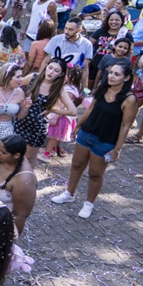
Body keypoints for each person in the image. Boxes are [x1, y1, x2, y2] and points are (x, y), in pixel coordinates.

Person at [51, 61, 136, 218]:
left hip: (105, 141)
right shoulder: (103, 89)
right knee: (76, 165)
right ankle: (69, 193)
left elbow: (125, 126)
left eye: (117, 74)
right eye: (111, 72)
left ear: (126, 78)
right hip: (87, 133)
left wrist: (117, 149)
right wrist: (78, 126)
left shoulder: (129, 99)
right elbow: (90, 109)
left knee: (95, 174)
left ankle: (89, 203)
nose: (111, 76)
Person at [14, 58, 77, 166]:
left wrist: (52, 110)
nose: (51, 72)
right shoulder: (34, 77)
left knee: (29, 158)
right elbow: (15, 84)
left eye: (56, 71)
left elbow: (73, 111)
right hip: (20, 119)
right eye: (50, 67)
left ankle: (28, 181)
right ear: (46, 66)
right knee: (14, 153)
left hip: (37, 127)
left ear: (61, 74)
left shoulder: (58, 89)